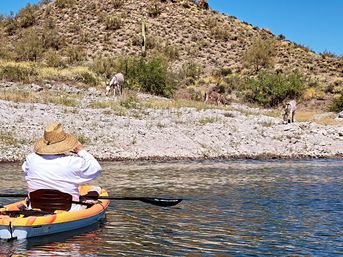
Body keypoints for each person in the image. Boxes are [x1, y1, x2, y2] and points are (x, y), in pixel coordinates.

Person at [22, 122, 102, 211]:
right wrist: (81, 151)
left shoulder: (30, 159)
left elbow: (25, 170)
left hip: (35, 207)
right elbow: (96, 169)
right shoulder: (73, 162)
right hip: (70, 209)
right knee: (96, 189)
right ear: (64, 144)